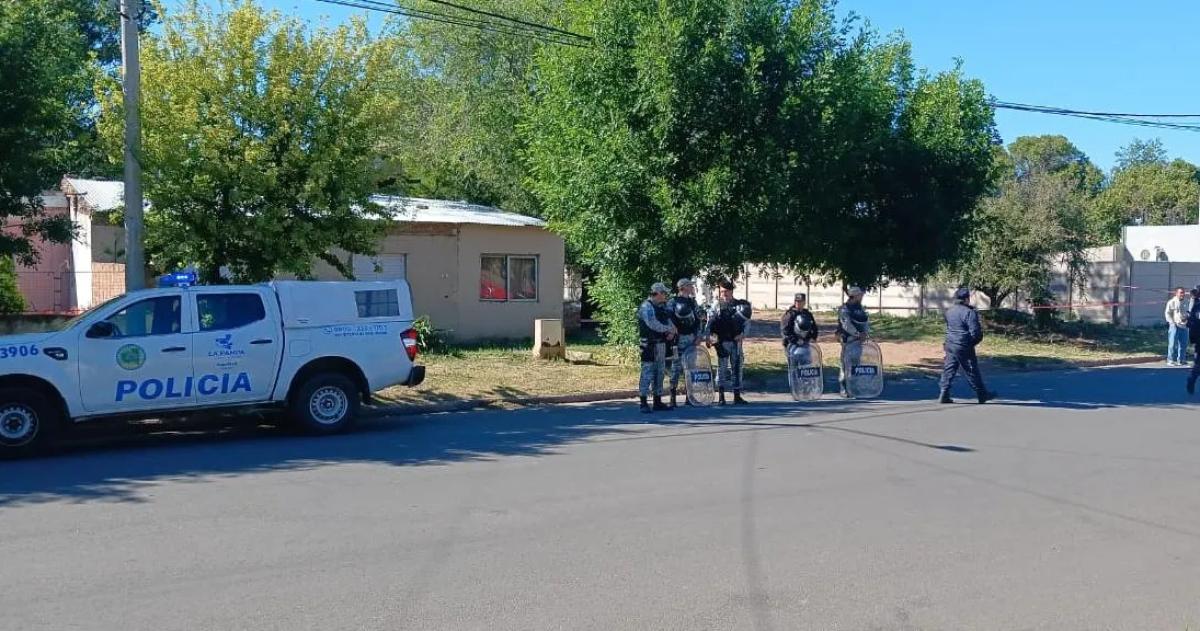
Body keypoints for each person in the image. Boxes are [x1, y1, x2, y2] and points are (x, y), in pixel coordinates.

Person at [939, 287, 998, 404]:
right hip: (963, 344)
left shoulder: (949, 311)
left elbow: (949, 328)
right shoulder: (969, 313)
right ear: (966, 299)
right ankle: (982, 394)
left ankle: (944, 392)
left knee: (949, 368)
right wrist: (971, 343)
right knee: (971, 369)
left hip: (950, 343)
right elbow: (976, 333)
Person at [705, 281, 751, 405]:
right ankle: (721, 397)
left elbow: (746, 323)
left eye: (725, 291)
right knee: (722, 369)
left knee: (737, 368)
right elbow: (710, 326)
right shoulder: (716, 305)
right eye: (721, 291)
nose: (723, 294)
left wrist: (743, 335)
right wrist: (711, 341)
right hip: (722, 342)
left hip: (736, 342)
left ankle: (737, 396)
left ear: (731, 291)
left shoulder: (739, 305)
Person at [637, 283, 676, 413]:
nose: (665, 295)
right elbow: (652, 324)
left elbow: (668, 321)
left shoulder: (661, 307)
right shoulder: (646, 306)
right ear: (658, 293)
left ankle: (657, 401)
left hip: (661, 344)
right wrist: (668, 329)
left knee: (660, 373)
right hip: (648, 345)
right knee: (647, 373)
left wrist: (671, 331)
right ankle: (643, 402)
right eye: (664, 293)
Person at [667, 278, 704, 408]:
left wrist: (699, 336)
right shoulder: (672, 302)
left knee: (691, 367)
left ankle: (690, 397)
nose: (692, 287)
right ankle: (672, 397)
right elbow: (669, 319)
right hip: (679, 338)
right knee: (676, 367)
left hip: (691, 338)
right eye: (690, 286)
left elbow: (698, 319)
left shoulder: (692, 302)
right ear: (683, 287)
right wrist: (673, 332)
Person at [836, 287, 870, 398]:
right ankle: (844, 388)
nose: (862, 297)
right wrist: (857, 334)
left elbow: (865, 321)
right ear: (854, 296)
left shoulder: (860, 308)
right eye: (860, 295)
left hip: (858, 341)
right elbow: (846, 325)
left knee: (856, 365)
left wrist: (865, 333)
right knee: (845, 365)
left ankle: (854, 387)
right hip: (848, 340)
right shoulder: (845, 309)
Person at [781, 292, 819, 369]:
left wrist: (812, 338)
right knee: (794, 368)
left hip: (805, 344)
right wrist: (796, 340)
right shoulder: (789, 314)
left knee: (806, 366)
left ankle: (805, 381)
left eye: (800, 301)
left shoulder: (807, 314)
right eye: (796, 301)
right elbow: (785, 331)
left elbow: (814, 328)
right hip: (792, 345)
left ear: (804, 302)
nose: (798, 303)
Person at [1165, 287, 1191, 367]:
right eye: (1181, 292)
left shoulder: (1187, 302)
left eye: (1183, 292)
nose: (1182, 294)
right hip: (1174, 325)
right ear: (1176, 293)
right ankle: (1170, 360)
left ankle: (1181, 360)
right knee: (1172, 344)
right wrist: (1171, 322)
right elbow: (1167, 313)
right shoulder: (1172, 302)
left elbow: (1189, 312)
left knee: (1183, 344)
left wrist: (1187, 317)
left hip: (1184, 325)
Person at [1188, 286, 1200, 395]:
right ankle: (1191, 380)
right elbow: (1192, 323)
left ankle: (1192, 379)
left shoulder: (1195, 305)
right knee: (1198, 365)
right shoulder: (1196, 307)